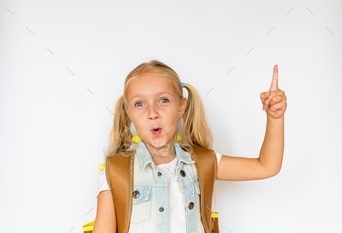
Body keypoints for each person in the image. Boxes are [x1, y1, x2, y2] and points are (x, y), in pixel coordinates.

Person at [92, 60, 287, 233]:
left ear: (181, 106)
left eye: (163, 100)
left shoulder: (201, 163)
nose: (153, 113)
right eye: (139, 103)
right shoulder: (116, 172)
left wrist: (275, 118)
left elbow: (267, 166)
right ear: (129, 113)